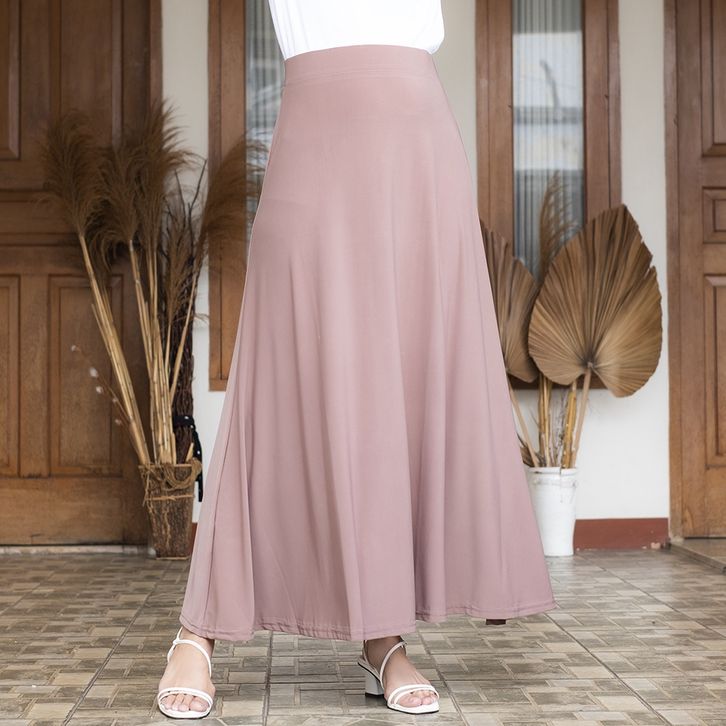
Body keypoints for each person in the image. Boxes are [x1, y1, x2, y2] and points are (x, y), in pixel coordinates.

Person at [157, 0, 557, 718]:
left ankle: (383, 637)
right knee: (279, 374)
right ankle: (200, 627)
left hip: (419, 143)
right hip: (317, 132)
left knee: (394, 385)